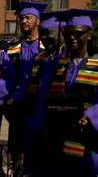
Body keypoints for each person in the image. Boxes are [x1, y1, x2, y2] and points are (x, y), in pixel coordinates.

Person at [40, 9, 98, 176]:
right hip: (60, 133)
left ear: (89, 34)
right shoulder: (58, 63)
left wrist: (91, 116)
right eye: (68, 33)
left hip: (88, 138)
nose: (72, 37)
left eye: (78, 33)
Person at [4, 1, 47, 176]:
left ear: (37, 20)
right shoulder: (12, 48)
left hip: (39, 104)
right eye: (21, 18)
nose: (23, 21)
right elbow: (7, 76)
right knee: (16, 148)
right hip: (18, 105)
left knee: (37, 146)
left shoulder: (47, 47)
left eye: (28, 18)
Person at [20, 11, 65, 175]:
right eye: (42, 34)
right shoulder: (40, 58)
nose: (44, 38)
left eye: (48, 34)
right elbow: (29, 87)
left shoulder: (67, 59)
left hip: (57, 122)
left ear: (61, 32)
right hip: (36, 119)